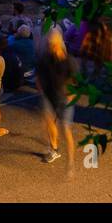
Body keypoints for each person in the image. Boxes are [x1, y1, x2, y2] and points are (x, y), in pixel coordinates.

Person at [37, 27, 76, 165]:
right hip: (49, 95)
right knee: (49, 122)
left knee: (66, 129)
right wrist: (41, 89)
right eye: (48, 44)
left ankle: (71, 163)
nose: (49, 47)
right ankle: (54, 149)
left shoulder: (69, 61)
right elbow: (38, 72)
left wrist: (71, 96)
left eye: (52, 45)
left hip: (65, 98)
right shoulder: (46, 58)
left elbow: (76, 80)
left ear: (59, 44)